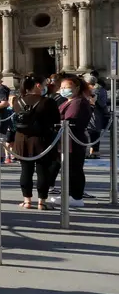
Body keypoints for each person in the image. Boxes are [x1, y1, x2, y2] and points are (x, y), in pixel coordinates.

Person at [12, 76, 61, 210]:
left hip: (21, 139)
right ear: (38, 85)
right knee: (42, 171)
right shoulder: (47, 102)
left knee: (25, 170)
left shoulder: (17, 100)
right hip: (42, 139)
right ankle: (41, 202)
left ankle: (27, 200)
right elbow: (57, 120)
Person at [53, 74, 94, 208]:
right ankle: (69, 193)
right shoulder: (69, 101)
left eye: (67, 87)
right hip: (65, 139)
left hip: (73, 140)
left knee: (74, 169)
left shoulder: (79, 102)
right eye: (62, 87)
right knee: (68, 169)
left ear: (76, 88)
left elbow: (71, 120)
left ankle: (76, 196)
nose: (63, 89)